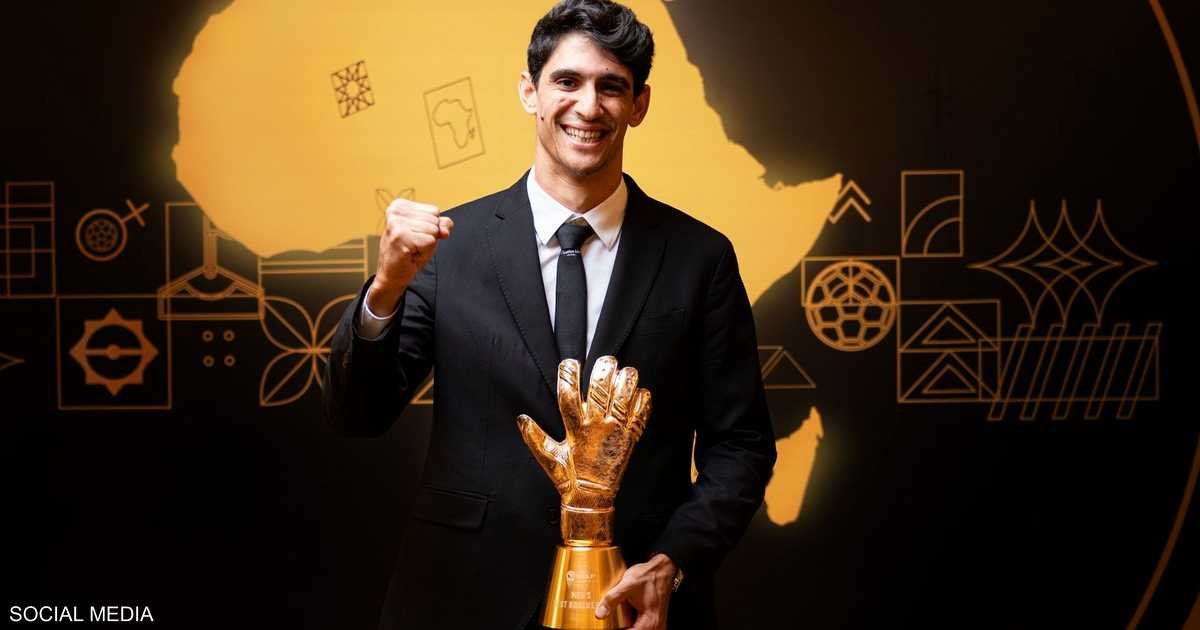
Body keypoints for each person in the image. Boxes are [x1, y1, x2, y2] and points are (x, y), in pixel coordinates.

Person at [322, 1, 776, 628]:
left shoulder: (700, 257)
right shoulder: (450, 247)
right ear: (529, 91)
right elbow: (356, 414)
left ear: (639, 105)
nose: (588, 106)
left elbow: (741, 445)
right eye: (567, 81)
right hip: (462, 595)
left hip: (635, 599)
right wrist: (386, 287)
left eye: (611, 87)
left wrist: (672, 561)